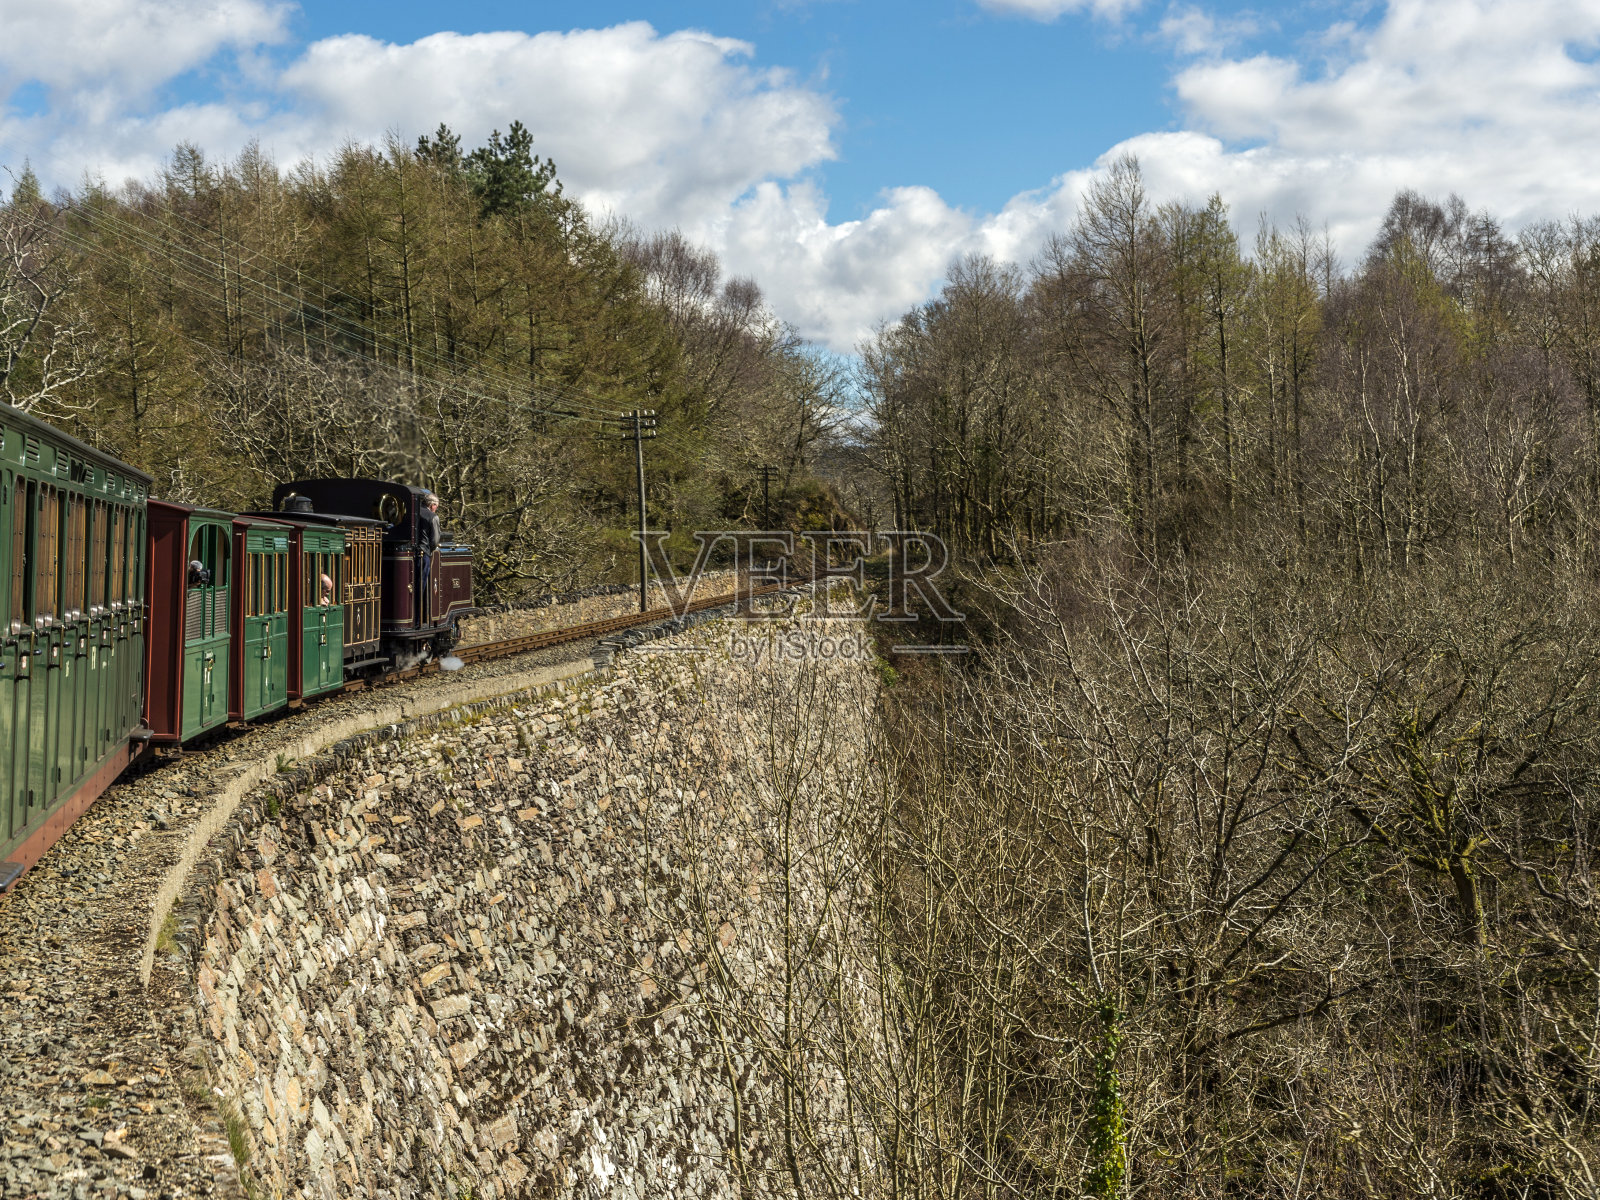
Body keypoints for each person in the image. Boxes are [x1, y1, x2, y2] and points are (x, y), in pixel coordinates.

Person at [419, 492, 442, 620]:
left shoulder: (412, 513)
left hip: (413, 553)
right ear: (432, 505)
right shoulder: (432, 517)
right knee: (422, 584)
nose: (436, 509)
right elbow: (435, 541)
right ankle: (420, 614)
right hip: (424, 553)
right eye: (436, 506)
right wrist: (431, 549)